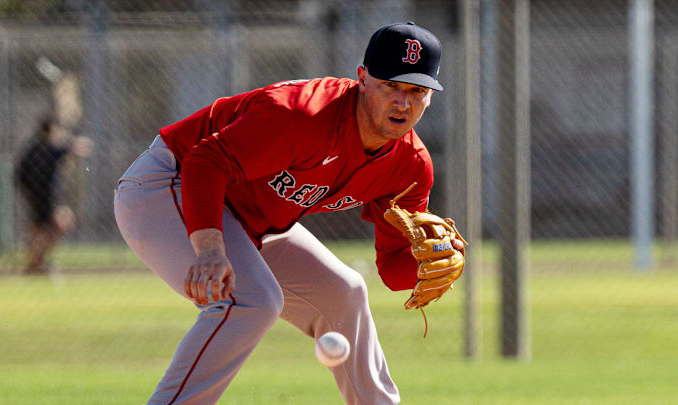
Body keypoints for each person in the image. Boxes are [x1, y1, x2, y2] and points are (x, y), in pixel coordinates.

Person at [114, 22, 465, 405]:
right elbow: (206, 161)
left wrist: (431, 262)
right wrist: (210, 249)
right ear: (362, 78)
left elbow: (392, 270)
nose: (402, 103)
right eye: (390, 86)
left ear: (430, 96)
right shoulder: (305, 115)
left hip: (251, 220)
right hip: (169, 184)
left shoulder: (410, 167)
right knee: (251, 299)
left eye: (416, 91)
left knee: (344, 292)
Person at [16, 116, 92, 274]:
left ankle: (36, 264)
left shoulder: (31, 149)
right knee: (63, 222)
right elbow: (80, 148)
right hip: (46, 197)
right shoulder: (49, 148)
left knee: (38, 231)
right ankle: (34, 262)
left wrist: (28, 191)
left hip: (33, 196)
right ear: (51, 130)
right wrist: (72, 140)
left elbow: (19, 175)